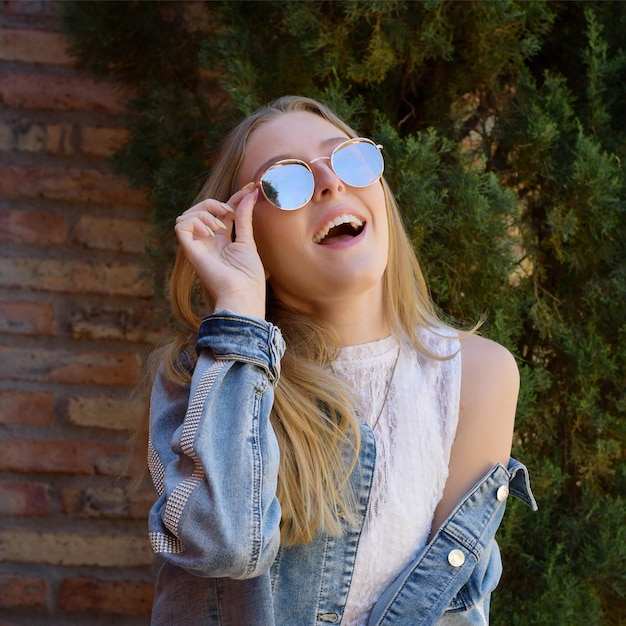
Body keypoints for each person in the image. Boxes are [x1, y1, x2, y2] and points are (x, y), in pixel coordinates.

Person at [146, 95, 537, 625]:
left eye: (349, 158)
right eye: (285, 181)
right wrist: (239, 309)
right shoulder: (203, 376)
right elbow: (227, 546)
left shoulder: (477, 375)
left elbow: (448, 606)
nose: (331, 183)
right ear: (245, 232)